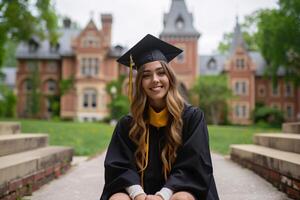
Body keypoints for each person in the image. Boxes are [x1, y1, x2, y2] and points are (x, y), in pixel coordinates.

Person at [100, 34, 219, 200]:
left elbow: (194, 165)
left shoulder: (192, 118)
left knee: (183, 198)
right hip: (139, 195)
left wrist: (163, 195)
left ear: (169, 77)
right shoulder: (128, 124)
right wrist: (138, 194)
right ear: (140, 82)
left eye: (161, 73)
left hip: (176, 192)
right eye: (147, 75)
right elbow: (119, 167)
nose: (155, 80)